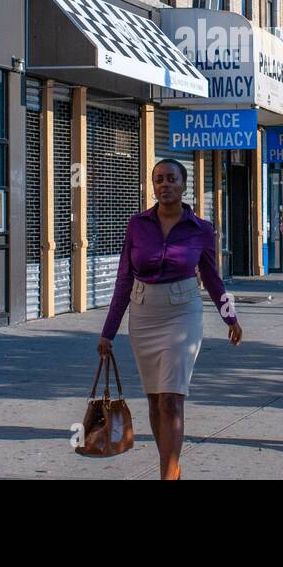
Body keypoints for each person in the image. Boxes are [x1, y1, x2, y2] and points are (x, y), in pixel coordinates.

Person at [98, 159, 244, 479]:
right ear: (153, 186)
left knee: (171, 398)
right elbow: (124, 279)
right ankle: (171, 465)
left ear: (184, 184)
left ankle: (167, 473)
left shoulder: (201, 230)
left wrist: (229, 317)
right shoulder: (137, 224)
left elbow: (213, 277)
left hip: (183, 313)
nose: (164, 184)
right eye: (159, 179)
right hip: (144, 314)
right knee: (154, 399)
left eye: (171, 179)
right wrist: (108, 332)